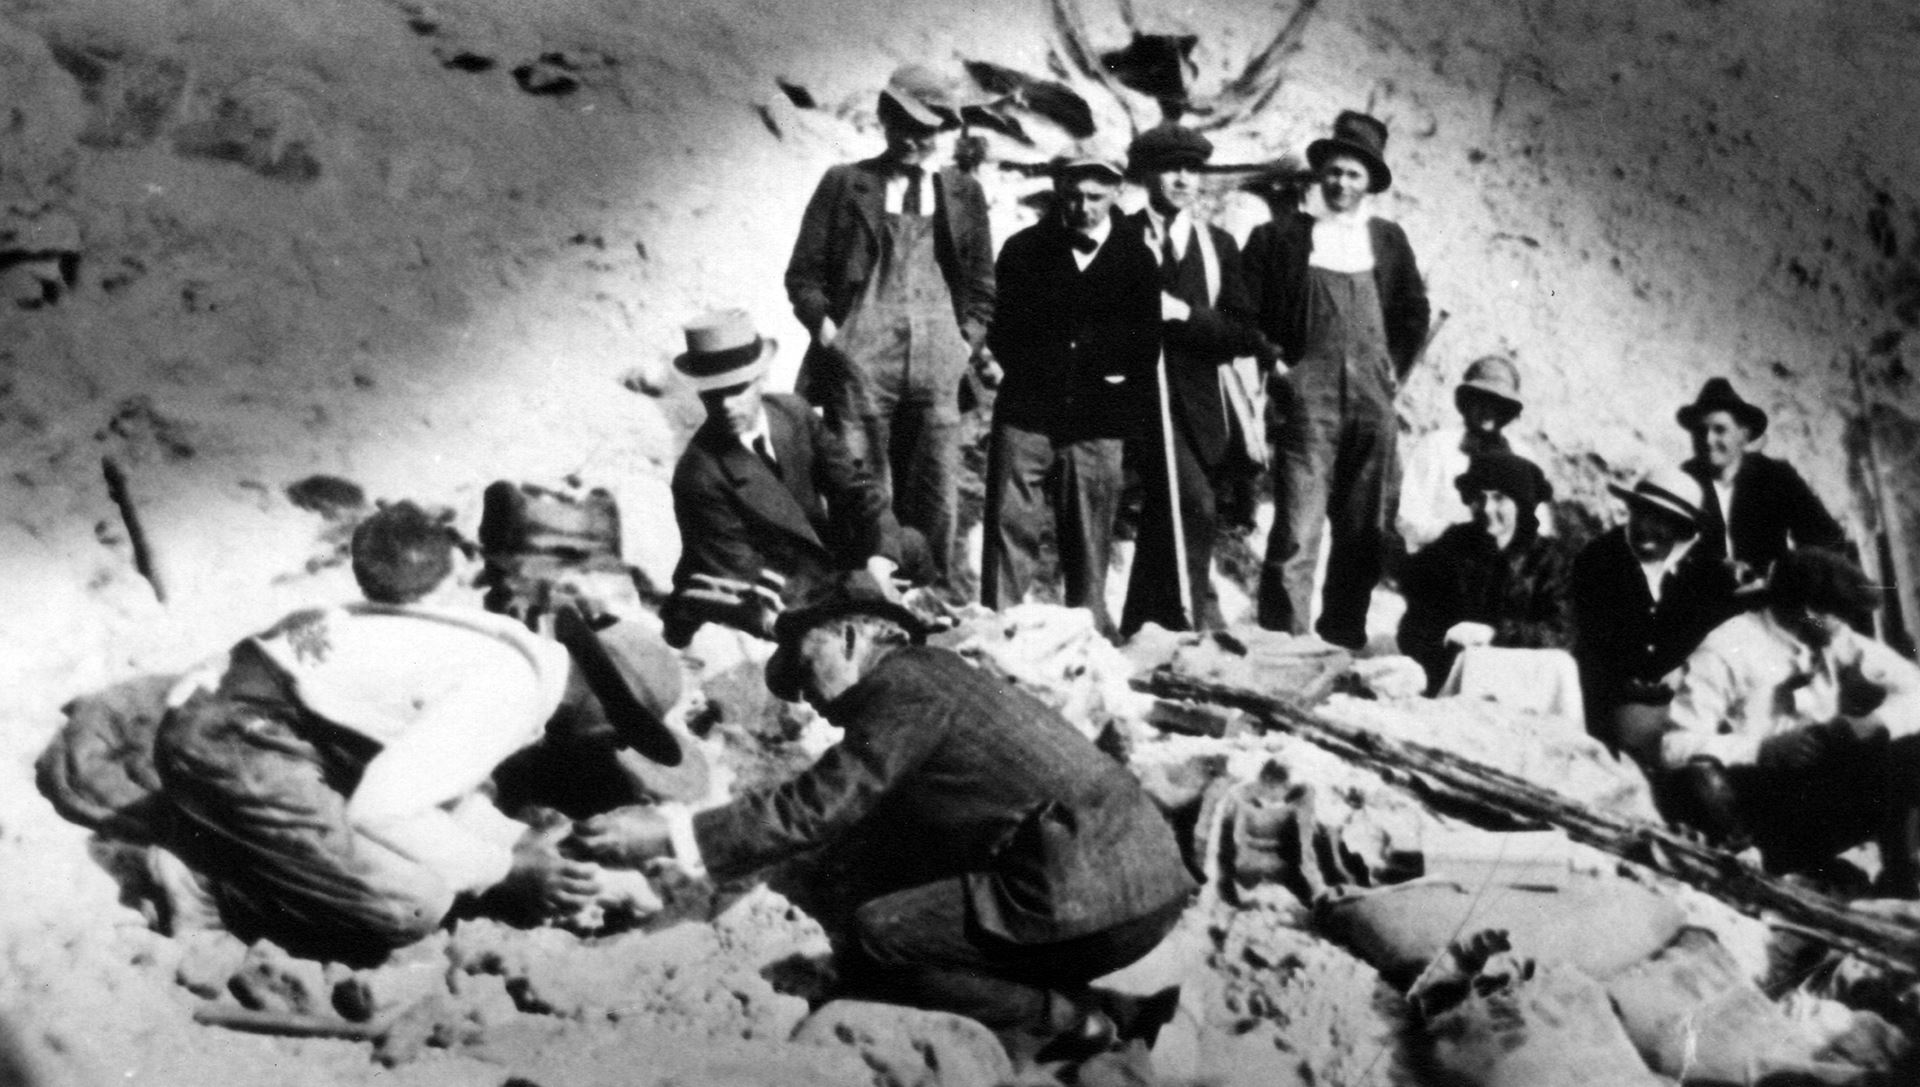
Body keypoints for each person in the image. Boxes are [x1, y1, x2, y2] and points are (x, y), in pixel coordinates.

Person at [573, 572, 1196, 1061]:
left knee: (881, 935)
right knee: (916, 915)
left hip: (1086, 892)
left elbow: (817, 807)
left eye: (803, 666)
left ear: (849, 636)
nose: (808, 697)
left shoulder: (902, 685)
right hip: (1140, 884)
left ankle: (1075, 1025)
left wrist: (672, 831)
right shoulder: (943, 679)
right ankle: (1126, 1015)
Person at [149, 503, 630, 956]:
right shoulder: (507, 692)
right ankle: (209, 877)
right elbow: (380, 810)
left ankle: (229, 834)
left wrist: (513, 840)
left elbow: (431, 785)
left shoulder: (517, 653)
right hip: (230, 737)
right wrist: (506, 869)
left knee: (421, 855)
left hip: (249, 715)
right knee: (411, 906)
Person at [784, 64, 997, 595]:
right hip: (862, 362)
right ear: (883, 118)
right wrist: (831, 334)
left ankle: (930, 599)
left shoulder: (963, 193)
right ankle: (863, 596)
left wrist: (963, 343)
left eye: (927, 129)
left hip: (937, 362)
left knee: (935, 490)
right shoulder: (845, 184)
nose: (914, 139)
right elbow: (803, 276)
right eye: (903, 123)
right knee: (860, 486)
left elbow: (981, 282)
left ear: (945, 131)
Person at [1248, 110, 1431, 649]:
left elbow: (1413, 311)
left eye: (1353, 174)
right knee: (1297, 530)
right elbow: (1247, 312)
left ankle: (1341, 640)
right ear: (1318, 174)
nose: (1341, 183)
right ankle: (1283, 643)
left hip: (1374, 405)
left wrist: (1394, 368)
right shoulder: (1282, 237)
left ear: (1370, 182)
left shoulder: (1388, 241)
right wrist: (1276, 364)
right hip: (1310, 401)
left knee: (1363, 531)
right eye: (1334, 171)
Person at [1658, 549, 1920, 893]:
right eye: (1838, 616)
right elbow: (1674, 746)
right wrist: (1763, 750)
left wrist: (1875, 722)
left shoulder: (1828, 636)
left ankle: (1901, 879)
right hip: (1761, 802)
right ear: (1810, 610)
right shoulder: (1730, 646)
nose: (1845, 627)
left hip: (1819, 791)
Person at [980, 154, 1160, 637]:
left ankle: (1089, 640)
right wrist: (1026, 368)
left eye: (1096, 197)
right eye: (1074, 196)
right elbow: (1001, 326)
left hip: (1099, 423)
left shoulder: (1137, 257)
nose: (1084, 207)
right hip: (1027, 414)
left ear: (1117, 194)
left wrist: (1114, 382)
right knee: (1009, 531)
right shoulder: (1023, 249)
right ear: (1061, 192)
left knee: (1089, 542)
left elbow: (1146, 344)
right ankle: (997, 635)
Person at [663, 310, 913, 648]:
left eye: (737, 389)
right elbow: (751, 576)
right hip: (748, 597)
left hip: (818, 566)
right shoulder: (699, 475)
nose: (726, 405)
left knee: (910, 546)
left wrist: (881, 559)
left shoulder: (792, 413)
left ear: (761, 378)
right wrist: (862, 586)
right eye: (712, 394)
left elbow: (857, 489)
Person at [1117, 122, 1273, 637]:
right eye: (1169, 169)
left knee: (1188, 510)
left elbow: (1244, 331)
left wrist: (1183, 314)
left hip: (1198, 412)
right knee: (1173, 511)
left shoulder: (1218, 247)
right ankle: (1168, 625)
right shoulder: (1119, 236)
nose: (1182, 179)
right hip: (1129, 406)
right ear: (1147, 174)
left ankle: (1158, 628)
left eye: (1191, 169)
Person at [1570, 465, 1734, 758]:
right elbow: (1593, 650)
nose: (1647, 528)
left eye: (1664, 521)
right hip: (1613, 703)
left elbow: (1749, 611)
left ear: (1683, 529)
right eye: (1643, 513)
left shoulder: (1700, 575)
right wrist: (1653, 684)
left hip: (1690, 700)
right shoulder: (1599, 560)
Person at [1397, 452, 1571, 696]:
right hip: (1455, 675)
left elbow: (1562, 632)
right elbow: (1416, 623)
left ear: (1521, 504)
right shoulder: (1452, 546)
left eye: (1500, 498)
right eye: (1480, 497)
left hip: (1524, 679)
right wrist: (1441, 642)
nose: (1488, 508)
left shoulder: (1548, 560)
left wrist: (1495, 634)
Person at [1677, 377, 1845, 593]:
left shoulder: (1775, 477)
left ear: (1744, 435)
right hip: (1705, 603)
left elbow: (1825, 537)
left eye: (1720, 430)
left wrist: (1786, 575)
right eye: (1700, 431)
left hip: (1771, 600)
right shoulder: (1682, 481)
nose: (1708, 440)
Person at [1395, 355, 1550, 555]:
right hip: (1444, 560)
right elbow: (1409, 519)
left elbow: (1541, 527)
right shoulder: (1438, 446)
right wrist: (1464, 535)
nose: (1488, 411)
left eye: (1498, 404)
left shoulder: (1523, 456)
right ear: (1467, 403)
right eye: (1481, 401)